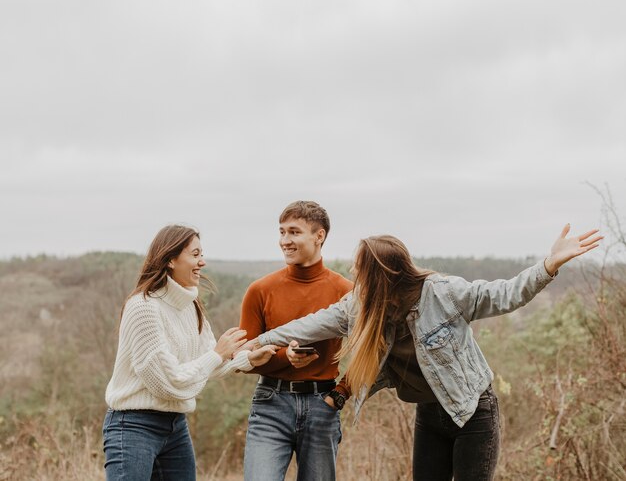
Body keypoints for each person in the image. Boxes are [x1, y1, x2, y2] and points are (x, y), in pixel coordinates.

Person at [256, 224, 603, 481]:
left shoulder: (442, 292)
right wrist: (257, 342)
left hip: (472, 413)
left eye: (358, 267)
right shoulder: (361, 305)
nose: (351, 273)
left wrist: (549, 265)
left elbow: (505, 294)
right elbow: (310, 324)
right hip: (429, 412)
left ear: (379, 274)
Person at [102, 224, 276, 481]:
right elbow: (167, 383)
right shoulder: (143, 307)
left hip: (175, 426)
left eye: (201, 254)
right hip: (133, 427)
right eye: (195, 254)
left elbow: (206, 364)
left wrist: (246, 358)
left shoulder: (190, 305)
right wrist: (218, 353)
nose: (202, 262)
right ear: (171, 259)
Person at [239, 201, 353, 481]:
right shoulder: (260, 290)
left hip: (322, 405)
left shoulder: (346, 292)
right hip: (270, 404)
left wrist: (341, 393)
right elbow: (242, 359)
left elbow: (372, 350)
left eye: (294, 232)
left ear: (319, 236)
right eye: (282, 232)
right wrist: (282, 358)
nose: (285, 241)